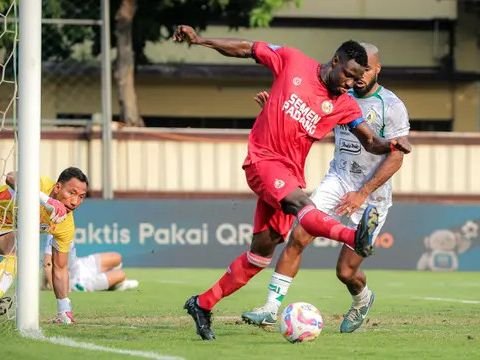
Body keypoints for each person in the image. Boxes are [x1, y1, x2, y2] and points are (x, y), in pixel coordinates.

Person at [173, 25, 411, 340]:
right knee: (303, 207)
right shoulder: (292, 60)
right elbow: (247, 47)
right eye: (349, 75)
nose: (351, 84)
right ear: (336, 60)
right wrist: (202, 40)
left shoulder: (344, 104)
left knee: (260, 254)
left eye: (357, 79)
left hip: (290, 174)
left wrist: (391, 146)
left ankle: (202, 304)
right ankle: (354, 235)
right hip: (263, 161)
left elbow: (369, 141)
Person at [242, 43, 410, 333]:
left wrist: (363, 193)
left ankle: (362, 299)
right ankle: (270, 308)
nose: (358, 77)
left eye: (366, 70)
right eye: (355, 70)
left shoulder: (391, 106)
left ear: (377, 70)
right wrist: (274, 107)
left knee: (345, 272)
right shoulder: (338, 95)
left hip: (372, 194)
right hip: (338, 178)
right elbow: (302, 115)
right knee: (300, 233)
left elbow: (395, 157)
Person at [0, 167, 88, 324]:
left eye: (81, 197)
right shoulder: (40, 184)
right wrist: (46, 200)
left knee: (15, 248)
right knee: (15, 246)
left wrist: (64, 309)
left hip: (4, 230)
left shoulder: (65, 225)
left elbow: (60, 268)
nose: (75, 202)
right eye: (71, 193)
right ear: (57, 187)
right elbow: (11, 177)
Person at [42, 234, 139, 293]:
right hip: (76, 280)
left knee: (116, 257)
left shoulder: (66, 223)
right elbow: (47, 264)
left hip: (82, 264)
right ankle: (116, 284)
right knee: (121, 274)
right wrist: (54, 288)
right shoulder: (52, 235)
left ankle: (111, 280)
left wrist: (43, 284)